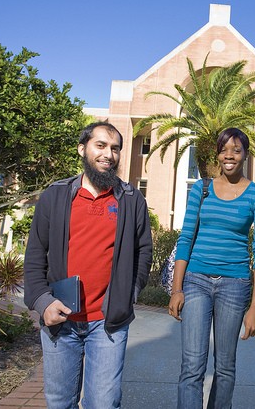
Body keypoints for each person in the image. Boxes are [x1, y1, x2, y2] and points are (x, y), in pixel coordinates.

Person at [23, 121, 152, 409]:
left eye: (115, 148)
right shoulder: (55, 196)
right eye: (101, 145)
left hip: (108, 324)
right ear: (83, 149)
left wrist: (129, 293)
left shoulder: (131, 199)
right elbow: (34, 256)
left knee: (104, 403)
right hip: (61, 320)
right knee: (59, 403)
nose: (109, 154)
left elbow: (144, 251)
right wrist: (44, 303)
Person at [168, 127, 255, 409]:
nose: (230, 155)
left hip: (235, 286)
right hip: (196, 281)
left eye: (236, 150)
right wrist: (177, 289)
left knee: (225, 368)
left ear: (245, 155)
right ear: (217, 153)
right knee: (192, 365)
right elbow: (186, 237)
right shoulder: (201, 189)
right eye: (225, 149)